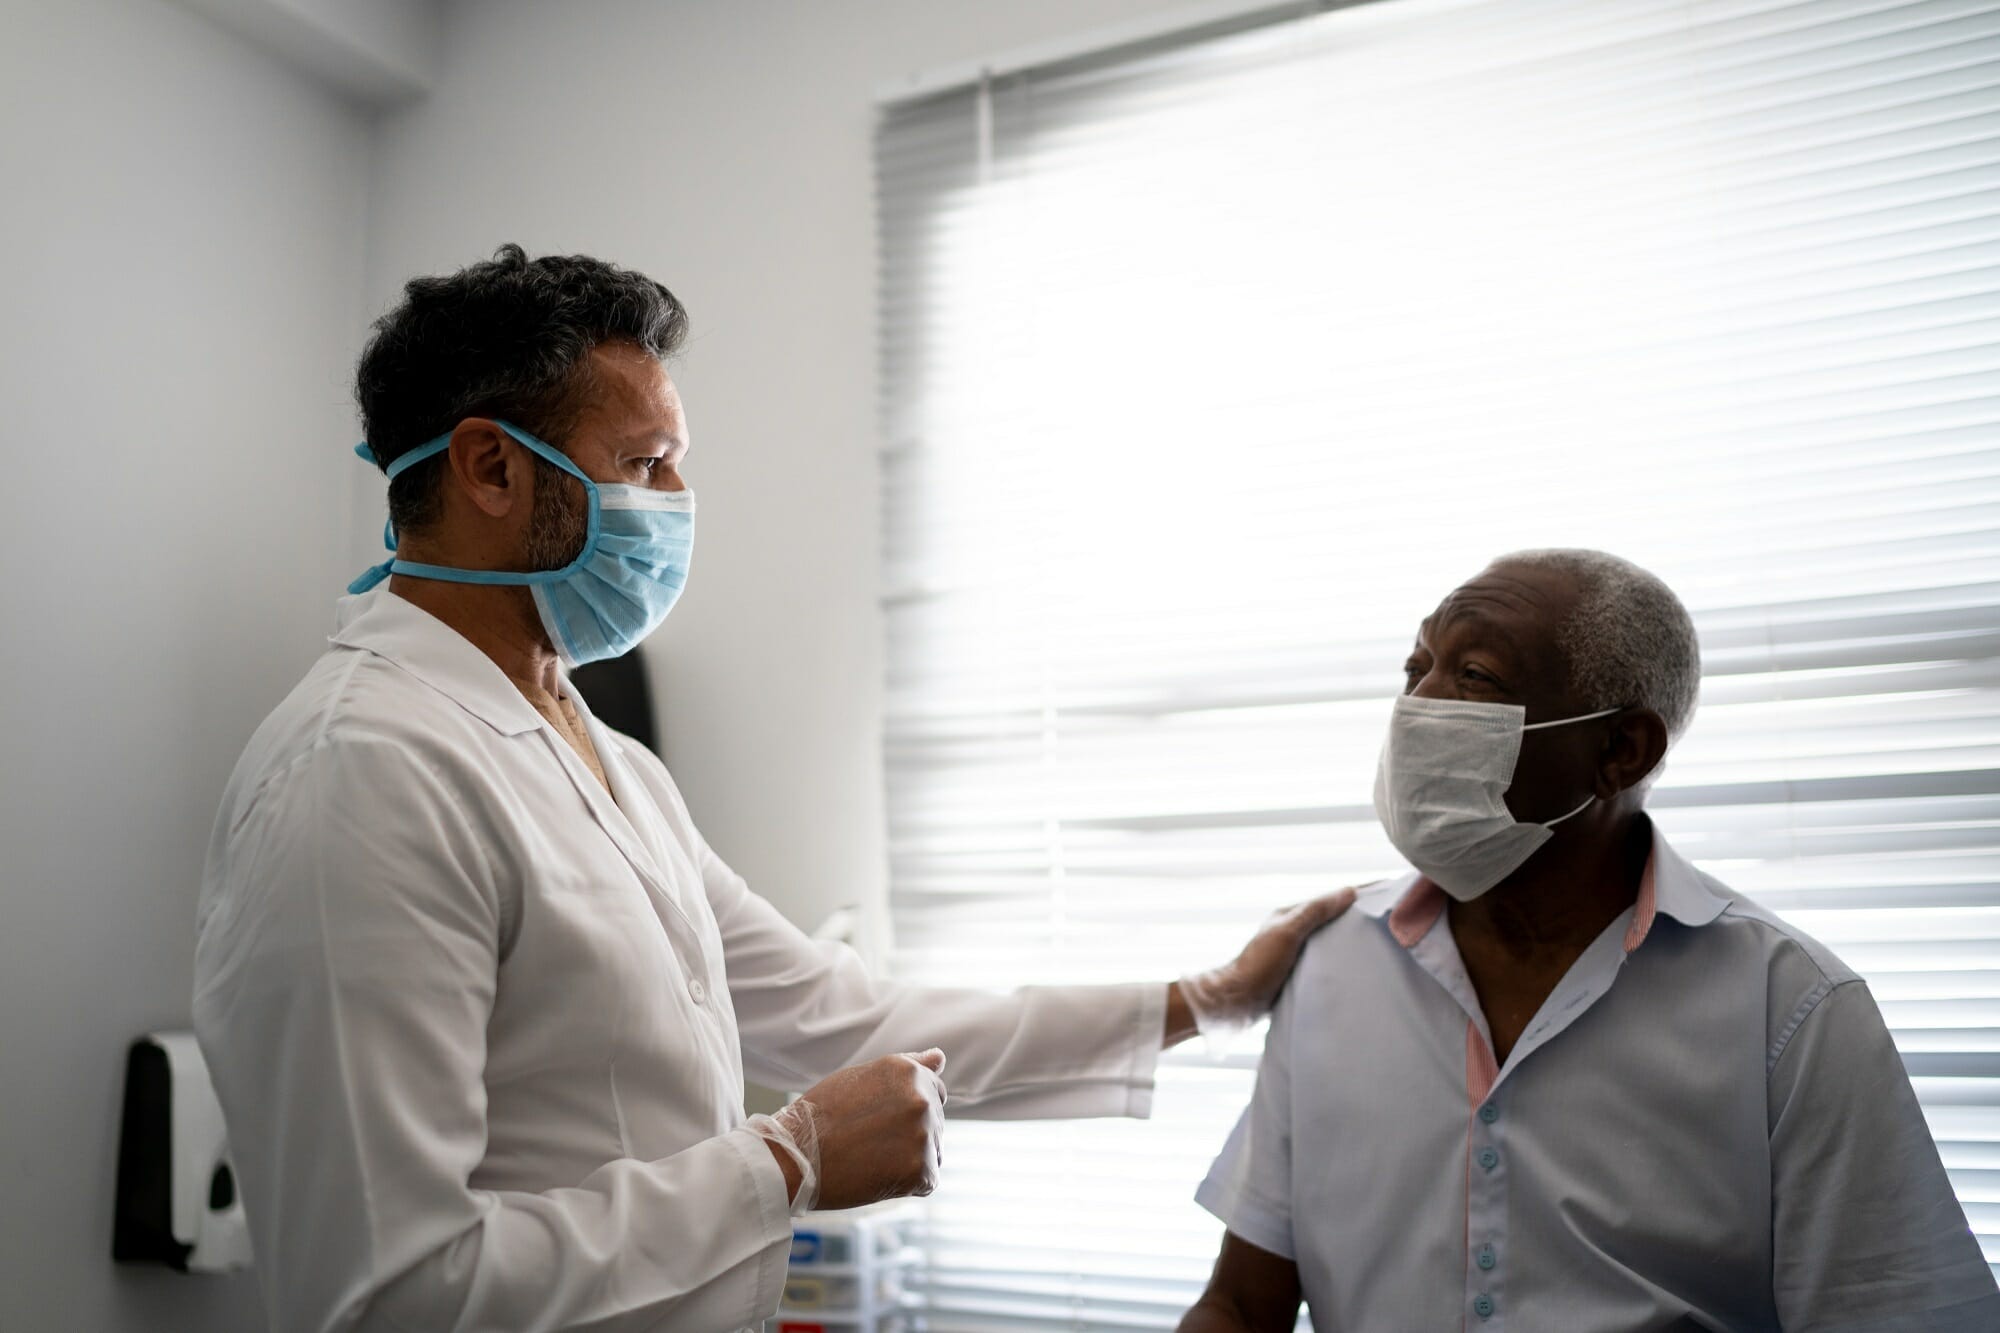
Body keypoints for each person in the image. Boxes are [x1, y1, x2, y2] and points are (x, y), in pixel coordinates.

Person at [192, 246, 1354, 1333]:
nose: (679, 499)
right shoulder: (364, 772)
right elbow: (390, 1292)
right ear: (490, 467)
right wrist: (783, 1164)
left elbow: (841, 1016)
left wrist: (1205, 999)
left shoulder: (606, 762)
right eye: (644, 464)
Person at [1181, 549, 1999, 1332]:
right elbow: (1243, 1307)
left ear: (1620, 749)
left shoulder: (1789, 1009)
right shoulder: (1330, 966)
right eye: (1415, 666)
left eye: (1475, 676)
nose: (1420, 706)